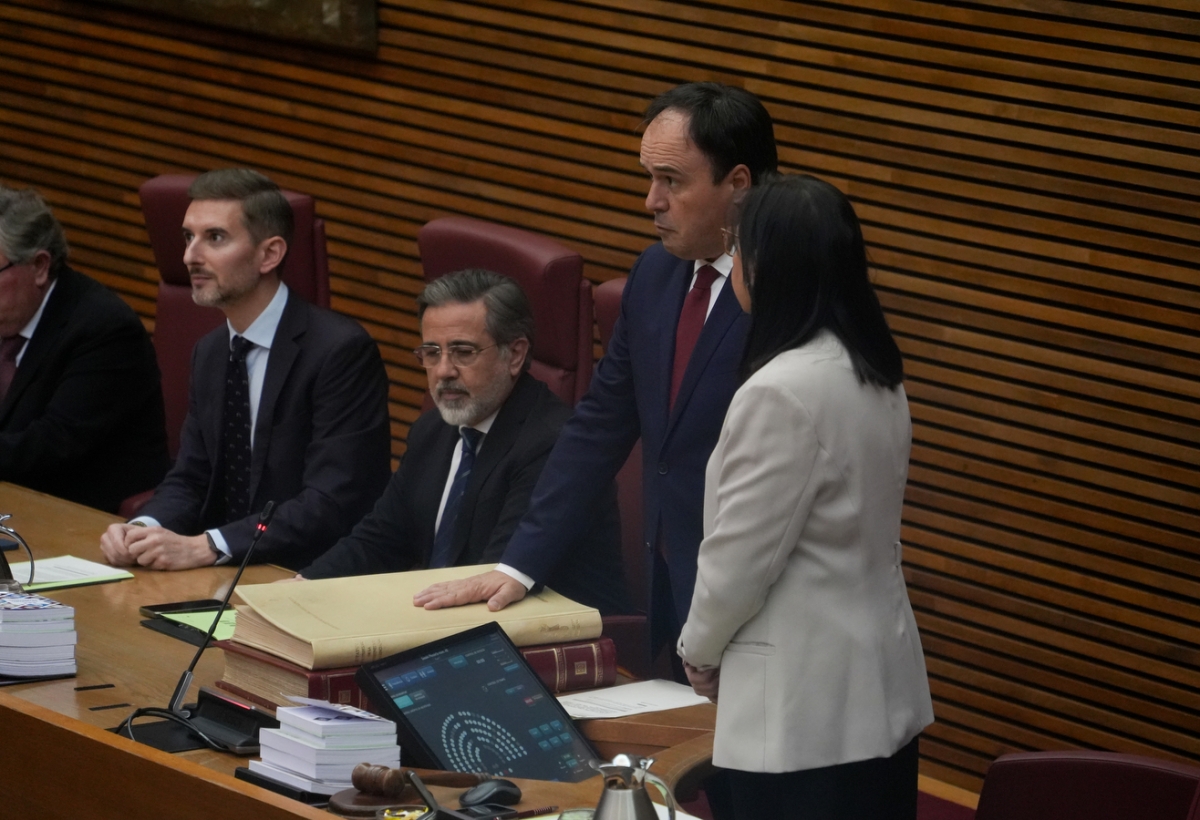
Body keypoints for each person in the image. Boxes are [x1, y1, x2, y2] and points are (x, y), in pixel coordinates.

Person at [413, 82, 777, 663]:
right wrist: (520, 562)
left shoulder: (783, 291)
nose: (650, 201)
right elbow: (601, 425)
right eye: (648, 177)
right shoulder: (657, 274)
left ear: (737, 184)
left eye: (672, 181)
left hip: (758, 602)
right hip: (668, 588)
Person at [677, 174, 934, 820]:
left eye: (738, 247)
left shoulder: (780, 392)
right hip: (877, 696)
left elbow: (739, 564)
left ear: (767, 267)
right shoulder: (876, 370)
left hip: (801, 720)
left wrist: (699, 652)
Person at [99, 168, 390, 571]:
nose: (189, 256)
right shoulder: (212, 351)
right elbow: (191, 477)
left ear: (269, 254)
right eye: (188, 237)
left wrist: (210, 546)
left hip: (308, 576)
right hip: (223, 574)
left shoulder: (339, 351)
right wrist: (145, 527)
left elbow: (331, 501)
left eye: (214, 238)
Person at [297, 269, 628, 614]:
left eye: (463, 352)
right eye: (431, 352)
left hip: (565, 646)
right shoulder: (432, 432)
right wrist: (300, 589)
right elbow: (381, 537)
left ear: (515, 354)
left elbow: (490, 580)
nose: (443, 371)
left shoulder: (552, 443)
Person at [0, 184, 168, 513]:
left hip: (80, 518)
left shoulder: (104, 329)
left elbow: (52, 446)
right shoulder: (10, 315)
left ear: (39, 266)